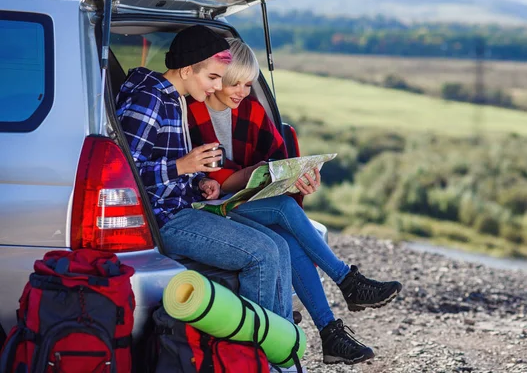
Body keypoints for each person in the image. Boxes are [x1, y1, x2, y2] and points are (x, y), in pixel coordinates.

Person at [187, 37, 403, 366]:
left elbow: (280, 161)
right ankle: (348, 281)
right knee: (284, 209)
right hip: (205, 209)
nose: (242, 92)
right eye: (235, 83)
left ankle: (331, 332)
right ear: (214, 76)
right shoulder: (189, 113)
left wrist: (300, 177)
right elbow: (205, 179)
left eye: (248, 84)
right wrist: (250, 174)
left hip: (245, 204)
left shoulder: (251, 111)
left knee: (288, 240)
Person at [115, 25, 294, 323]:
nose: (215, 87)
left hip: (185, 207)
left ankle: (284, 346)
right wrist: (182, 166)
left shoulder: (175, 101)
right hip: (163, 219)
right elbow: (125, 174)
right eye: (212, 77)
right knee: (261, 255)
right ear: (186, 70)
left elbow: (166, 166)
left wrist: (199, 181)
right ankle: (258, 355)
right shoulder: (151, 101)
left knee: (278, 245)